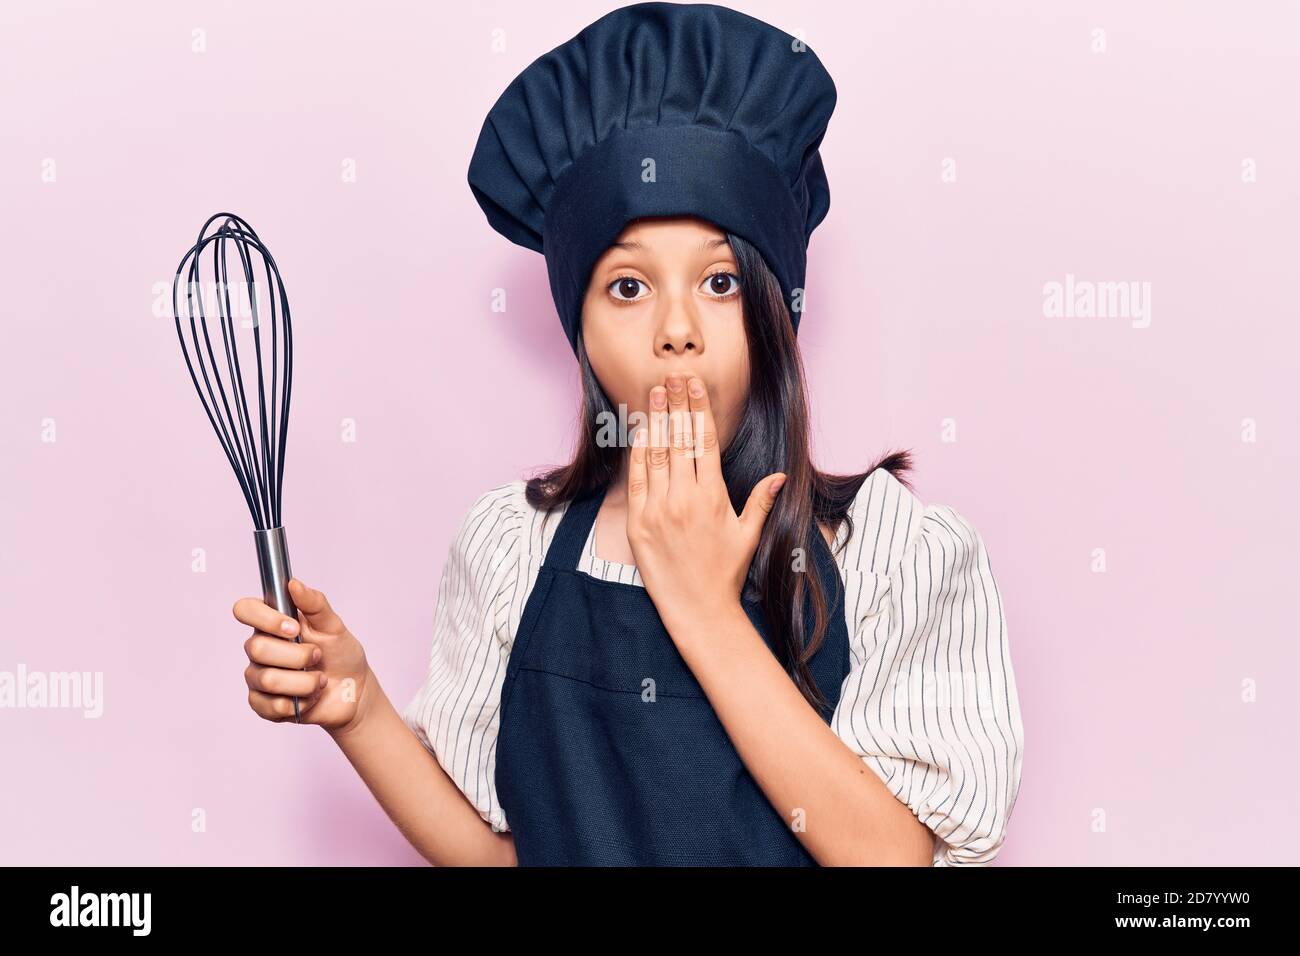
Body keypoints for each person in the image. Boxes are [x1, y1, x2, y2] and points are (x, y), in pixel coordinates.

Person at [234, 1, 1024, 867]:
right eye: (626, 288)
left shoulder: (884, 549)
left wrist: (701, 607)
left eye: (719, 281)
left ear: (775, 310)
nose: (676, 329)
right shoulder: (514, 547)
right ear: (579, 330)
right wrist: (357, 706)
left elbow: (890, 860)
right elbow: (511, 858)